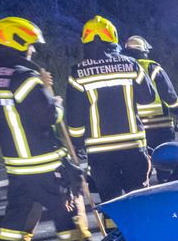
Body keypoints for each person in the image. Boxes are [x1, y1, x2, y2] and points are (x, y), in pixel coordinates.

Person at [0, 17, 89, 241]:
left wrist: (44, 91)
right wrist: (56, 102)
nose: (33, 49)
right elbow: (47, 115)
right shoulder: (26, 78)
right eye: (30, 44)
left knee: (17, 215)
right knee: (67, 210)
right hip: (44, 162)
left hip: (17, 165)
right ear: (16, 42)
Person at [66, 16, 157, 211]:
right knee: (139, 198)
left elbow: (74, 117)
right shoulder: (131, 64)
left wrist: (77, 142)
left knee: (111, 203)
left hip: (100, 152)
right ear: (112, 38)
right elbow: (149, 96)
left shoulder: (77, 73)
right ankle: (142, 240)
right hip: (134, 146)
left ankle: (113, 240)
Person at [123, 35, 178, 149]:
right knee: (166, 160)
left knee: (143, 161)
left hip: (136, 125)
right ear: (144, 52)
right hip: (161, 124)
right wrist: (177, 109)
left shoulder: (122, 70)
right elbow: (168, 92)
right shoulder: (152, 67)